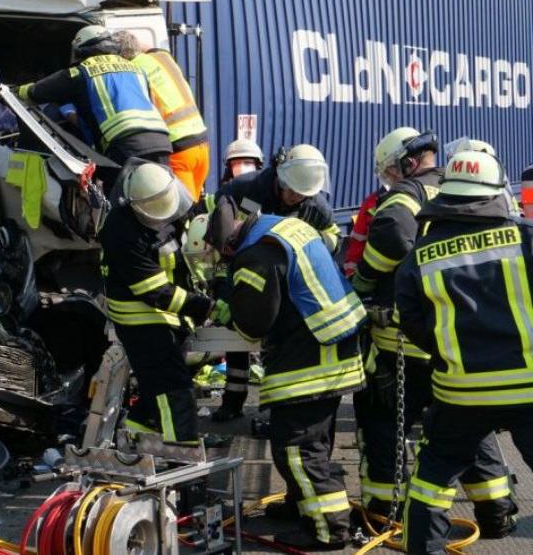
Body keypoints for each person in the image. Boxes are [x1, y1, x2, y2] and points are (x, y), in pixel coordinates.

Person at [350, 129, 514, 529]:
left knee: (384, 425)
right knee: (467, 424)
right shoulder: (462, 188)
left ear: (407, 162)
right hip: (457, 341)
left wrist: (365, 282)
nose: (389, 178)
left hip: (402, 345)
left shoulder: (405, 195)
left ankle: (382, 511)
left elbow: (391, 236)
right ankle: (496, 511)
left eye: (391, 170)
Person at [393, 149, 533, 553]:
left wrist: (447, 354)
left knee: (432, 480)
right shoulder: (526, 237)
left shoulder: (420, 255)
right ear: (497, 192)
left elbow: (412, 321)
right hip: (528, 387)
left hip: (460, 392)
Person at [224, 213, 366, 550]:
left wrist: (226, 311)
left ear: (226, 244)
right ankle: (302, 506)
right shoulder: (282, 228)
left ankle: (329, 528)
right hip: (336, 350)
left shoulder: (255, 256)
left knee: (296, 449)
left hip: (309, 366)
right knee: (314, 443)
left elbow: (252, 326)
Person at [100, 162, 224, 444]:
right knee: (174, 387)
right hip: (139, 318)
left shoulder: (168, 198)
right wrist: (206, 307)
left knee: (157, 381)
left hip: (165, 313)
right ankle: (183, 451)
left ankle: (140, 432)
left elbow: (193, 221)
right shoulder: (121, 231)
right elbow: (155, 291)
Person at [17, 27, 172, 166]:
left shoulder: (79, 72)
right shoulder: (136, 69)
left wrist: (16, 90)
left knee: (118, 189)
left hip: (124, 144)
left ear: (80, 49)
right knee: (160, 187)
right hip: (161, 141)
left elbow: (35, 92)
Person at [204, 138, 265, 421]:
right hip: (226, 277)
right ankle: (232, 403)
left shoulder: (259, 199)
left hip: (257, 275)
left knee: (270, 344)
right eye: (237, 164)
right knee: (234, 343)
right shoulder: (218, 197)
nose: (242, 169)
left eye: (248, 164)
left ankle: (274, 408)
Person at [115, 32, 211, 200]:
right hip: (201, 145)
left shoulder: (131, 71)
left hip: (178, 149)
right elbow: (146, 46)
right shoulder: (162, 56)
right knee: (194, 204)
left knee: (179, 208)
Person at [205, 144, 341, 255]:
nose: (295, 197)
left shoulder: (316, 207)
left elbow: (336, 238)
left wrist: (311, 238)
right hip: (243, 255)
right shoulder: (249, 187)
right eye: (291, 189)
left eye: (302, 194)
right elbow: (210, 204)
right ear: (281, 179)